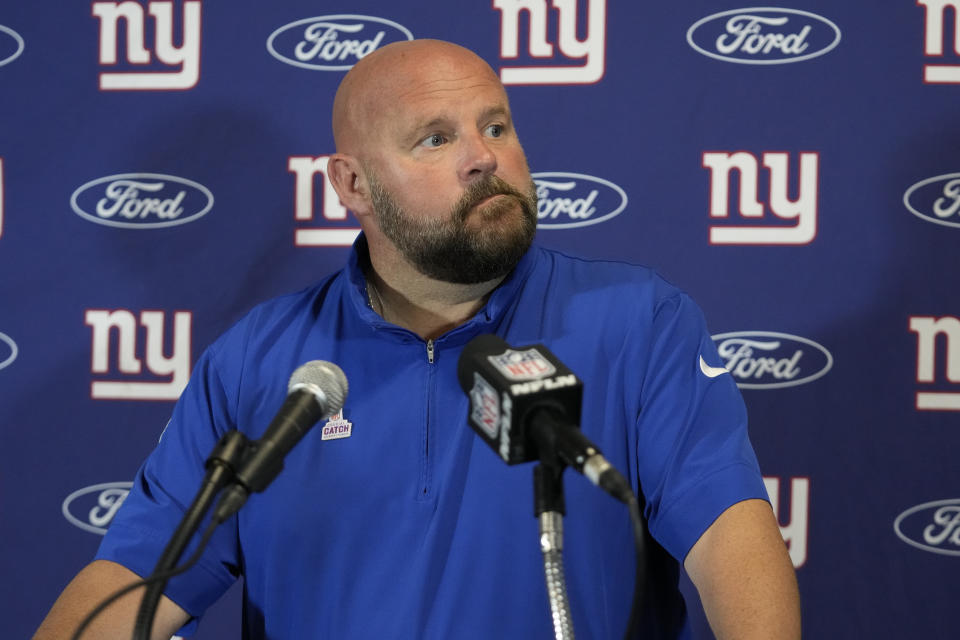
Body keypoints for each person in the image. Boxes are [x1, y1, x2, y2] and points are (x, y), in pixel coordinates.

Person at [34, 39, 800, 639]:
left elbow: (727, 532)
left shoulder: (639, 321)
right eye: (435, 140)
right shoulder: (258, 363)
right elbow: (136, 581)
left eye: (495, 125)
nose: (484, 157)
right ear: (353, 185)